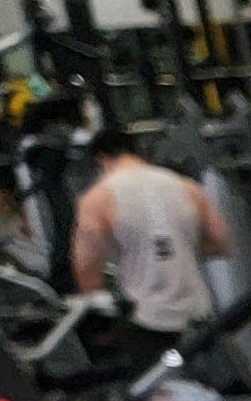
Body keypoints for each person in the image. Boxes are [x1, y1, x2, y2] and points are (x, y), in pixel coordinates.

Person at [67, 123, 226, 345]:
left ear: (100, 159)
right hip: (198, 313)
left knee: (159, 379)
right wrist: (175, 250)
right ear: (138, 153)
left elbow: (86, 269)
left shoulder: (96, 199)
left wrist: (104, 327)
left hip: (147, 319)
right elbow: (220, 243)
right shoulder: (187, 186)